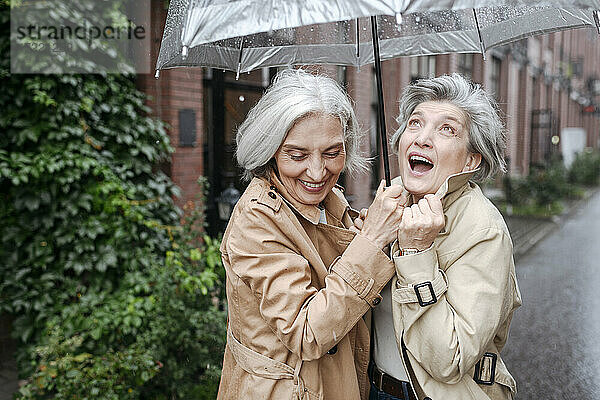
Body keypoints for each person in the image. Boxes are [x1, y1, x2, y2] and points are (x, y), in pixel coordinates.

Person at [216, 68, 407, 400]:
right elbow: (306, 331)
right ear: (269, 150)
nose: (318, 172)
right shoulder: (256, 221)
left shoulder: (327, 200)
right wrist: (370, 242)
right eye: (297, 155)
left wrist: (361, 238)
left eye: (332, 153)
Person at [358, 74, 522, 400]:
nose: (422, 138)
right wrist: (367, 239)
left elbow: (449, 360)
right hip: (373, 389)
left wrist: (417, 254)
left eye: (447, 129)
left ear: (472, 159)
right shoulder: (390, 202)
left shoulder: (484, 232)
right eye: (415, 123)